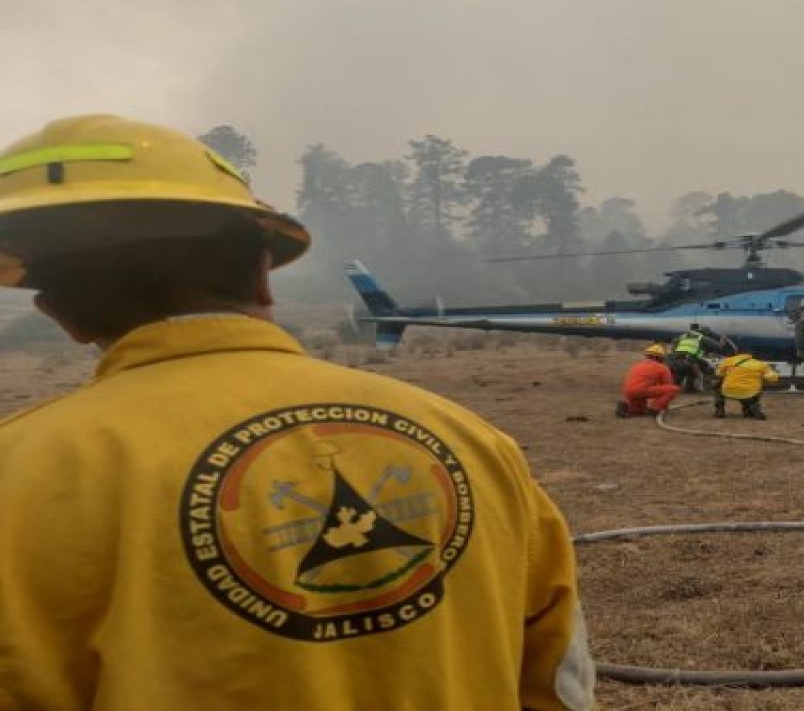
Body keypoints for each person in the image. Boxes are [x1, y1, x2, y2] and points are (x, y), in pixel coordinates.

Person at [0, 115, 594, 711]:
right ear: (263, 275)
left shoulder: (20, 475)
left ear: (62, 315)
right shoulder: (472, 440)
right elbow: (561, 682)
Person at [616, 343, 680, 417]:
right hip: (640, 390)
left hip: (628, 391)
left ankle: (627, 409)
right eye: (662, 358)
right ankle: (654, 409)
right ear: (657, 357)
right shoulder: (662, 368)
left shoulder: (638, 365)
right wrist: (662, 405)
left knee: (640, 410)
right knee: (673, 389)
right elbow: (668, 385)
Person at [714, 349, 780, 420]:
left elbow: (718, 373)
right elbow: (773, 378)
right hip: (750, 392)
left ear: (737, 353)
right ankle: (750, 409)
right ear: (751, 355)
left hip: (728, 390)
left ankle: (720, 409)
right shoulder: (760, 364)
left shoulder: (728, 361)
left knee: (717, 388)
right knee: (756, 389)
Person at [668, 323, 729, 392]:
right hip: (689, 360)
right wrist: (723, 340)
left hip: (674, 360)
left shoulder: (682, 336)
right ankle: (699, 387)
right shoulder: (701, 338)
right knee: (702, 367)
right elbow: (718, 346)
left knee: (681, 372)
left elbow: (673, 343)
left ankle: (676, 387)